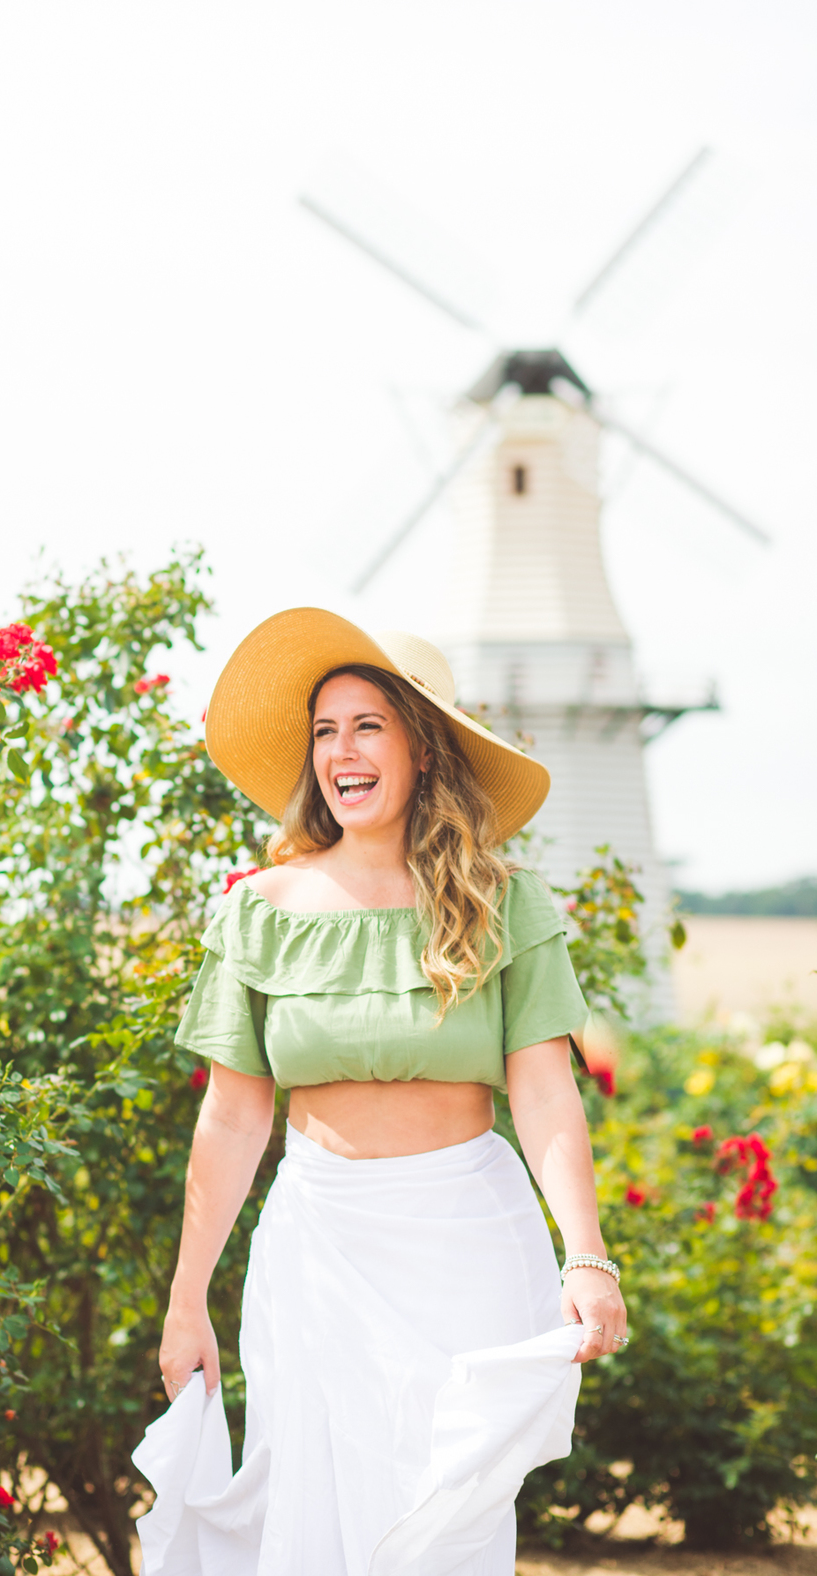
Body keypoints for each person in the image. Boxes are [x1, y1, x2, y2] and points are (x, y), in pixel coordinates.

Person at [132, 610, 628, 1576]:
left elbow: (545, 1096)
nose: (341, 752)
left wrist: (587, 1255)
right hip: (315, 1244)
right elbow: (231, 1117)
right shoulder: (260, 910)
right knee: (313, 1510)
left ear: (423, 750)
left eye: (369, 726)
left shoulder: (505, 902)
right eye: (326, 730)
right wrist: (187, 1301)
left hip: (469, 1243)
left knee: (447, 1521)